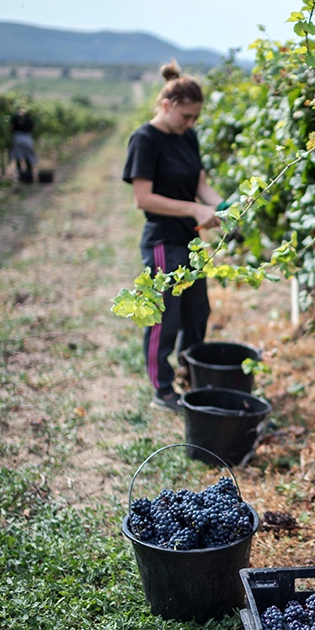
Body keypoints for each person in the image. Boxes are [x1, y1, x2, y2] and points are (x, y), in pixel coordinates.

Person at [122, 60, 225, 413]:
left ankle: (188, 374)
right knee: (166, 316)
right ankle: (162, 389)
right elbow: (142, 199)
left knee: (198, 312)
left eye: (196, 118)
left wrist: (224, 207)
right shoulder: (145, 139)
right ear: (167, 106)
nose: (191, 123)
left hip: (191, 240)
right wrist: (194, 209)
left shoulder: (188, 136)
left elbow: (201, 186)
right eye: (187, 116)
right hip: (163, 241)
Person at [10, 108, 37, 183]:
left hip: (17, 137)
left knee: (18, 156)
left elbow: (11, 128)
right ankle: (30, 176)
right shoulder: (28, 118)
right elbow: (32, 128)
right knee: (28, 156)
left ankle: (20, 175)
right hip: (27, 138)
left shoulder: (15, 117)